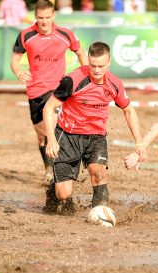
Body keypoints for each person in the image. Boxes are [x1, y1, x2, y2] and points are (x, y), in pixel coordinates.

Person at [42, 41, 146, 215]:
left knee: (98, 172)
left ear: (109, 62)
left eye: (101, 66)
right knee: (63, 194)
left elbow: (128, 111)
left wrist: (139, 143)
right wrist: (51, 140)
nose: (96, 70)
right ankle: (56, 187)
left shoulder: (114, 83)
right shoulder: (72, 80)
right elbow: (49, 107)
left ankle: (101, 213)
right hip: (68, 135)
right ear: (88, 61)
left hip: (96, 136)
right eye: (92, 65)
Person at [10, 0, 88, 184]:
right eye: (40, 18)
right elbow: (14, 59)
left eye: (47, 17)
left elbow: (80, 53)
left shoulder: (65, 34)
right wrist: (18, 72)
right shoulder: (25, 35)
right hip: (36, 90)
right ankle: (48, 166)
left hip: (57, 88)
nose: (44, 22)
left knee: (57, 128)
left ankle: (62, 168)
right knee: (42, 135)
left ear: (53, 16)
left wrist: (86, 76)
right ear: (35, 17)